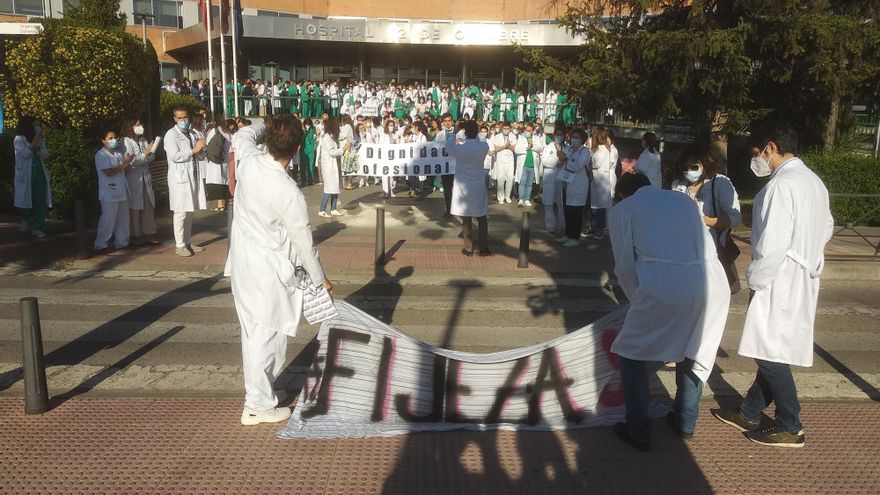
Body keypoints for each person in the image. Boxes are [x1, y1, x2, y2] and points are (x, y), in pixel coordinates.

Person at [711, 121, 834, 448]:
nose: (757, 161)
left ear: (769, 148)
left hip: (779, 276)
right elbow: (828, 227)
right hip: (803, 275)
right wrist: (812, 257)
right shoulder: (813, 182)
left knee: (769, 353)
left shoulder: (780, 187)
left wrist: (757, 278)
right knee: (773, 347)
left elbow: (772, 243)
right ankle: (750, 411)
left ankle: (790, 424)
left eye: (757, 153)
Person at [610, 172, 730, 452]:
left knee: (631, 352)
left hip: (664, 285)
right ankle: (686, 422)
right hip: (711, 284)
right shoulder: (683, 201)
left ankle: (638, 429)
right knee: (694, 348)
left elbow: (625, 266)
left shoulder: (623, 210)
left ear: (622, 194)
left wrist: (636, 299)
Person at [226, 115, 332, 426]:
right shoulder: (288, 191)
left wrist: (263, 122)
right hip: (268, 270)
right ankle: (257, 404)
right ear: (298, 147)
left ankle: (263, 392)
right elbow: (304, 242)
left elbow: (243, 134)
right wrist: (320, 279)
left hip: (244, 263)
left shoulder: (250, 160)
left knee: (254, 330)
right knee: (266, 336)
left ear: (268, 141)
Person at [671, 145, 743, 293]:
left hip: (714, 252)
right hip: (685, 252)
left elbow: (735, 219)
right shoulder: (678, 185)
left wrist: (706, 220)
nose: (689, 171)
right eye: (684, 168)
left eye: (693, 167)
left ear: (704, 164)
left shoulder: (720, 183)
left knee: (713, 297)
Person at [163, 106, 208, 257]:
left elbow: (200, 155)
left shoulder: (192, 133)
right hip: (179, 178)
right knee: (180, 211)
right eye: (179, 118)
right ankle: (180, 245)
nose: (183, 120)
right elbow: (175, 156)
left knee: (189, 211)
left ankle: (187, 241)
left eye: (185, 117)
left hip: (193, 175)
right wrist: (195, 150)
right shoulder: (171, 135)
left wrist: (201, 149)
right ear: (174, 119)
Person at [448, 120, 491, 257]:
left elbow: (448, 145)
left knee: (466, 217)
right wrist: (473, 132)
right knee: (481, 216)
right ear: (477, 132)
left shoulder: (460, 148)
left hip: (463, 184)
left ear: (465, 132)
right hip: (477, 183)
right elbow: (482, 140)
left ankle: (469, 248)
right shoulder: (483, 147)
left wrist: (456, 132)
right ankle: (483, 248)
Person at [94, 129, 133, 253]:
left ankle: (122, 242)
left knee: (123, 219)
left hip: (122, 190)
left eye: (114, 137)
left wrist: (128, 163)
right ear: (103, 141)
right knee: (108, 219)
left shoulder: (118, 154)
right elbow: (108, 172)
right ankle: (101, 244)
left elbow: (124, 170)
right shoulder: (101, 155)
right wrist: (124, 164)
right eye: (110, 138)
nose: (113, 140)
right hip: (109, 193)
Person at [13, 116, 51, 238]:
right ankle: (27, 221)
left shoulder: (39, 139)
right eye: (34, 124)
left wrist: (39, 147)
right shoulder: (19, 139)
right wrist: (34, 142)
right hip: (25, 176)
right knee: (25, 201)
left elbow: (46, 154)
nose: (36, 127)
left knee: (39, 202)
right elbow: (25, 154)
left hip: (39, 174)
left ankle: (37, 227)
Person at [122, 118, 159, 245]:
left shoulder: (143, 140)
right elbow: (131, 161)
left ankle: (149, 233)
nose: (140, 126)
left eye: (140, 124)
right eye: (137, 125)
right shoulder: (126, 142)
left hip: (145, 177)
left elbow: (151, 156)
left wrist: (147, 155)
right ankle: (136, 235)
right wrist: (144, 155)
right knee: (135, 208)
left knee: (148, 206)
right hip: (134, 179)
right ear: (130, 127)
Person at [556, 128, 591, 248]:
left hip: (579, 186)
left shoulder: (585, 152)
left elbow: (577, 166)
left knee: (576, 212)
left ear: (582, 139)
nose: (574, 139)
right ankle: (568, 234)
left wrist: (565, 158)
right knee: (568, 211)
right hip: (568, 183)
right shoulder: (570, 149)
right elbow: (563, 163)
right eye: (573, 137)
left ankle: (575, 237)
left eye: (577, 137)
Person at [316, 117, 347, 217]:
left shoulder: (332, 136)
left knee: (335, 187)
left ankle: (333, 208)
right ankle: (322, 210)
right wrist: (343, 149)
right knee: (329, 188)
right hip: (328, 166)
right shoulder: (326, 138)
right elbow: (332, 152)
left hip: (334, 165)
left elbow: (342, 136)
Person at [540, 126, 567, 234]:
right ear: (554, 135)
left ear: (564, 135)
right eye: (557, 134)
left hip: (562, 178)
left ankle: (562, 224)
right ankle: (550, 224)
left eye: (561, 134)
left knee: (561, 203)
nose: (559, 136)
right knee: (549, 202)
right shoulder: (548, 147)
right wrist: (557, 161)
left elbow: (568, 161)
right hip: (550, 177)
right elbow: (545, 161)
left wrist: (562, 161)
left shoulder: (567, 147)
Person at [589, 127, 614, 240]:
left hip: (600, 180)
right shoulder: (602, 148)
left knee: (600, 207)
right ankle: (595, 228)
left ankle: (599, 230)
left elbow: (596, 163)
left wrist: (590, 155)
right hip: (598, 180)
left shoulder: (602, 149)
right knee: (597, 206)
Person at [204, 116, 233, 212]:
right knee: (224, 182)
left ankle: (220, 205)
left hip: (215, 161)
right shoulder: (228, 132)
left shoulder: (215, 131)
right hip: (225, 160)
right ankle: (224, 203)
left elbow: (207, 143)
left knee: (216, 183)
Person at [514, 123, 544, 207]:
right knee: (522, 182)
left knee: (529, 183)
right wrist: (526, 147)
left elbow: (540, 148)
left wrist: (532, 145)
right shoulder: (521, 138)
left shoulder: (536, 138)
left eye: (529, 131)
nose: (527, 132)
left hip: (533, 165)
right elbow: (516, 150)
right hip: (523, 165)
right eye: (526, 130)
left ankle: (527, 199)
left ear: (533, 131)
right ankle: (521, 199)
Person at [490, 122, 516, 205]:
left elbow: (514, 148)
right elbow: (496, 149)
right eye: (504, 128)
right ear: (502, 129)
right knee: (500, 179)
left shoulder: (513, 136)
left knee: (510, 179)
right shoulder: (497, 137)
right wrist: (506, 146)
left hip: (510, 161)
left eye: (507, 128)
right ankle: (500, 197)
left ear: (510, 129)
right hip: (500, 161)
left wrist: (507, 146)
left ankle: (507, 196)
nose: (506, 130)